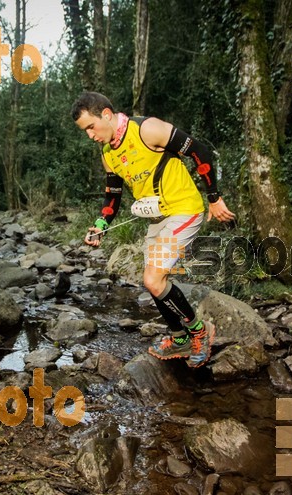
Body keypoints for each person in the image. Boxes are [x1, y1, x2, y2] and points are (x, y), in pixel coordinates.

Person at [71, 91, 235, 368]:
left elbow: (199, 151)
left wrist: (215, 198)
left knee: (153, 279)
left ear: (106, 115)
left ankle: (199, 333)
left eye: (91, 126)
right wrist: (100, 225)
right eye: (84, 131)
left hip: (184, 208)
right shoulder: (109, 153)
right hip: (157, 217)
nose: (90, 135)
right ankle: (179, 337)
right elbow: (113, 195)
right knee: (154, 282)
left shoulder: (148, 129)